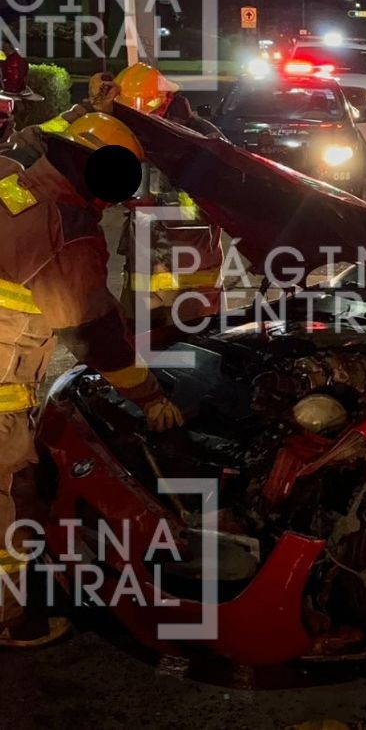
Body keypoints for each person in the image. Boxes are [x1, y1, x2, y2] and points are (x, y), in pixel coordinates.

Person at [0, 114, 186, 648]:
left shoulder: (11, 178)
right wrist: (149, 398)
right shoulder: (68, 229)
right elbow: (92, 332)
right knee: (10, 494)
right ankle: (14, 619)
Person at [112, 63, 225, 324]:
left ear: (163, 102)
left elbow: (219, 204)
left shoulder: (200, 139)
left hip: (190, 279)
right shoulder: (140, 132)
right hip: (143, 273)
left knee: (191, 354)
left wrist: (157, 204)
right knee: (137, 352)